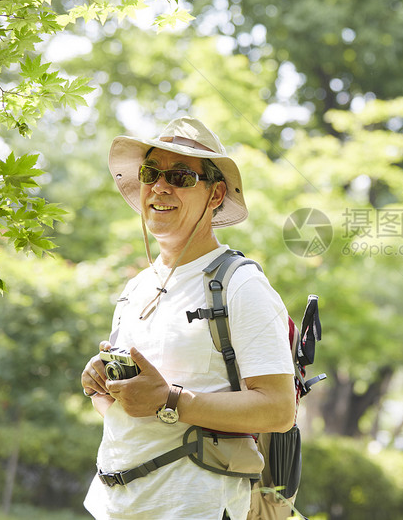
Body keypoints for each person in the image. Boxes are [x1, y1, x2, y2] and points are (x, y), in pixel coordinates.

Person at [80, 117, 296, 519]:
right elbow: (129, 413)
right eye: (151, 173)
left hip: (195, 506)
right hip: (113, 505)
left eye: (179, 176)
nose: (160, 186)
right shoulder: (136, 288)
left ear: (215, 194)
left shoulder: (240, 283)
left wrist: (170, 400)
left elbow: (279, 410)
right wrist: (102, 389)